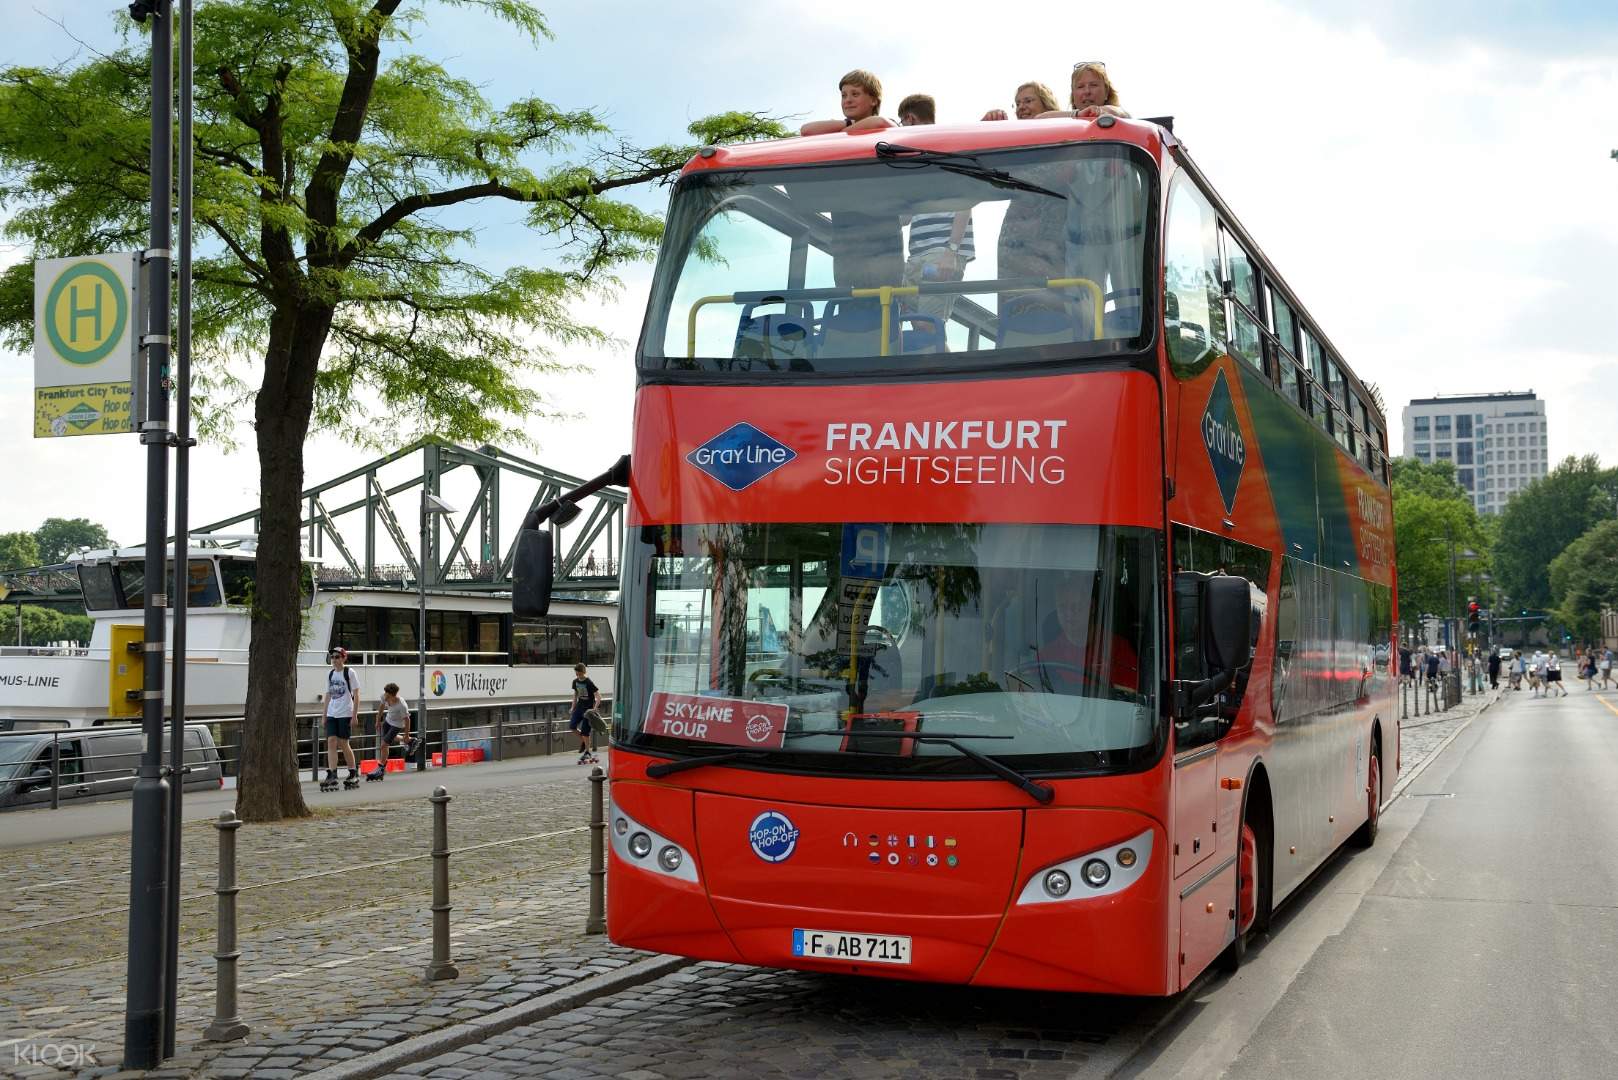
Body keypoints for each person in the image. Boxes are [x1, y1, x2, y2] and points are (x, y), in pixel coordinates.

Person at [895, 94, 975, 337]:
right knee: (917, 324)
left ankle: (948, 374)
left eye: (902, 122)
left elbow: (964, 204)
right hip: (917, 255)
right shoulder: (917, 161)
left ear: (909, 118)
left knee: (929, 325)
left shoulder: (947, 151)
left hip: (941, 253)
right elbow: (906, 216)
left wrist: (951, 251)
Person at [1024, 570, 1140, 697]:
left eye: (1076, 606)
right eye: (1062, 607)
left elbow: (1130, 699)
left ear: (1093, 607)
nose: (1069, 614)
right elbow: (1029, 697)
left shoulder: (1119, 650)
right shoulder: (1046, 657)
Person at [799, 69, 896, 136]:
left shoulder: (888, 127)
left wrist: (839, 133)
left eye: (855, 94)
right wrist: (849, 124)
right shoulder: (844, 125)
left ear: (874, 100)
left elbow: (879, 122)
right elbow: (806, 130)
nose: (848, 100)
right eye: (843, 96)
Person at [321, 647, 361, 791]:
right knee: (331, 741)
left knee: (343, 743)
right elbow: (327, 695)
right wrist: (324, 715)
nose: (334, 659)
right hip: (332, 712)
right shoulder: (330, 674)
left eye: (337, 657)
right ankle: (332, 773)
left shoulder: (349, 672)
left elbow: (356, 695)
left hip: (345, 712)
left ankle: (352, 772)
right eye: (332, 657)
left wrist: (355, 715)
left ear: (344, 658)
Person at [1035, 61, 1132, 120]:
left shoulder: (1119, 115)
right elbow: (1038, 119)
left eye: (1093, 85)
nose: (1087, 91)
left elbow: (1119, 113)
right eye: (1080, 87)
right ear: (1073, 94)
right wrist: (1078, 114)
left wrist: (1099, 111)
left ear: (1107, 92)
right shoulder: (1066, 120)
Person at [367, 682, 418, 782]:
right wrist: (378, 721)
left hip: (397, 724)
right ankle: (411, 741)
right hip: (388, 720)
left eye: (387, 694)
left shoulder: (402, 705)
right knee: (391, 739)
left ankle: (381, 767)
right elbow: (381, 707)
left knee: (384, 744)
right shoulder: (384, 696)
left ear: (392, 694)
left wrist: (406, 734)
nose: (385, 695)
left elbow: (407, 720)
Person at [981, 80, 1060, 122]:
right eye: (1018, 104)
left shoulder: (1063, 128)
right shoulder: (1012, 138)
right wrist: (986, 122)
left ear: (1046, 104)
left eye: (1028, 101)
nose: (1021, 107)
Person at [570, 662, 601, 765]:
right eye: (576, 674)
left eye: (579, 674)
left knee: (585, 732)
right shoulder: (575, 682)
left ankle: (587, 751)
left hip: (588, 710)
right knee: (572, 726)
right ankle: (584, 741)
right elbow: (575, 695)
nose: (578, 676)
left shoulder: (589, 682)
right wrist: (572, 707)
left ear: (584, 672)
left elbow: (599, 697)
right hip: (579, 707)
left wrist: (594, 708)